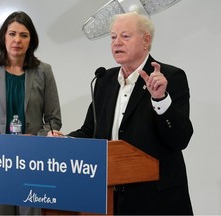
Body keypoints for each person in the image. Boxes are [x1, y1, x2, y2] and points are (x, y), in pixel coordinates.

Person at [50, 12, 193, 215]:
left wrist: (160, 99)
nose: (117, 43)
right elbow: (91, 131)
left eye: (125, 36)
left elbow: (180, 139)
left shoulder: (170, 77)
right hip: (110, 197)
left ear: (146, 41)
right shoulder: (104, 80)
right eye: (113, 37)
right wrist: (64, 140)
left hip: (156, 199)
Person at [0, 11, 62, 215]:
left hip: (33, 160)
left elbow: (54, 119)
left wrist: (35, 139)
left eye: (24, 35)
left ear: (31, 40)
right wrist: (2, 142)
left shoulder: (44, 71)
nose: (17, 40)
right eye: (12, 34)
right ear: (3, 37)